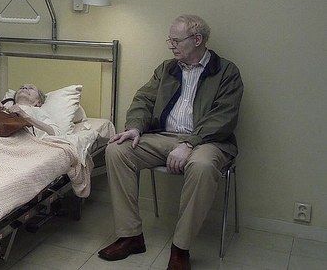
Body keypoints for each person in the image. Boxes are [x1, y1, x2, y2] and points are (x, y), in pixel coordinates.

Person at [98, 15, 243, 270]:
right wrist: (134, 127)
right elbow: (143, 100)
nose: (171, 46)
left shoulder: (226, 72)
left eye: (176, 40)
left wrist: (189, 143)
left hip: (207, 141)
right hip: (163, 136)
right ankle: (130, 236)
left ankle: (181, 248)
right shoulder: (167, 68)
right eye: (170, 41)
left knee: (202, 166)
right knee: (116, 150)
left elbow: (224, 116)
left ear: (197, 40)